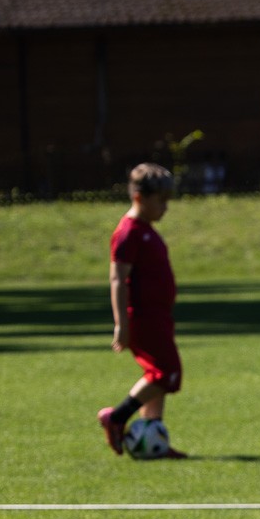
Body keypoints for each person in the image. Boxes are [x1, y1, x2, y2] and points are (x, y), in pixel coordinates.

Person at [96, 163, 187, 458]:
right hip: (143, 318)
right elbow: (118, 280)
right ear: (139, 197)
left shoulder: (146, 230)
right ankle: (117, 417)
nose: (166, 207)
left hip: (159, 316)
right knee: (167, 373)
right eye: (161, 201)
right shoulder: (128, 233)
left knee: (157, 374)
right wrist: (121, 324)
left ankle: (152, 440)